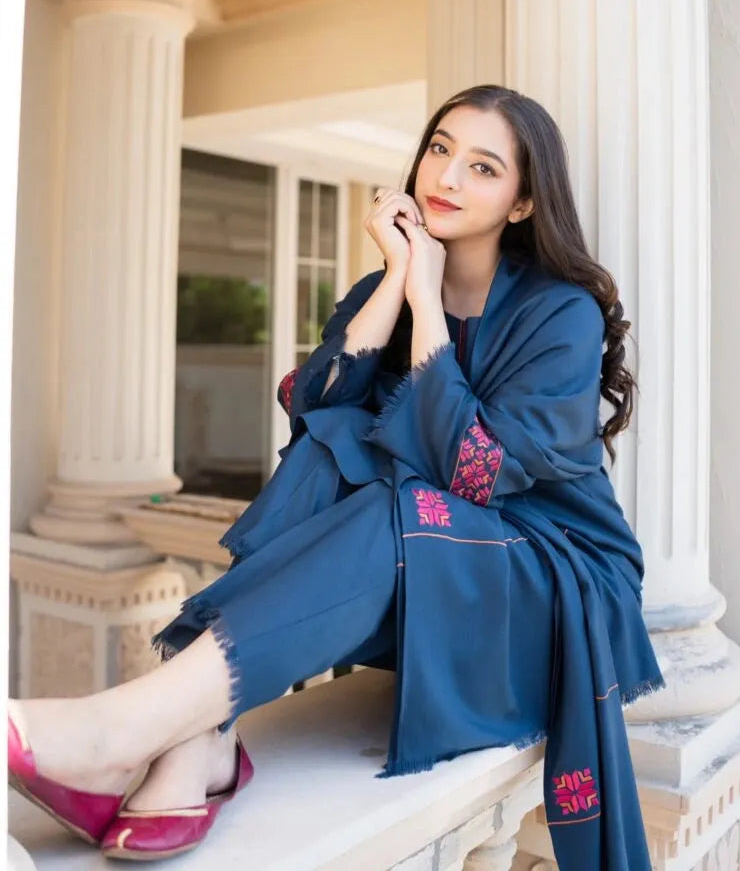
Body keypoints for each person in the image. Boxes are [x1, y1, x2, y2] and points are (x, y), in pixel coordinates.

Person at [8, 85, 663, 869]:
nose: (447, 176)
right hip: (436, 567)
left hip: (548, 574)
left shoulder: (561, 312)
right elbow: (313, 409)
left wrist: (425, 301)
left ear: (522, 203)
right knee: (334, 440)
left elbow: (477, 471)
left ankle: (120, 733)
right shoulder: (388, 287)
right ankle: (200, 736)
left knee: (398, 502)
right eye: (440, 148)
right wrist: (397, 280)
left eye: (483, 168)